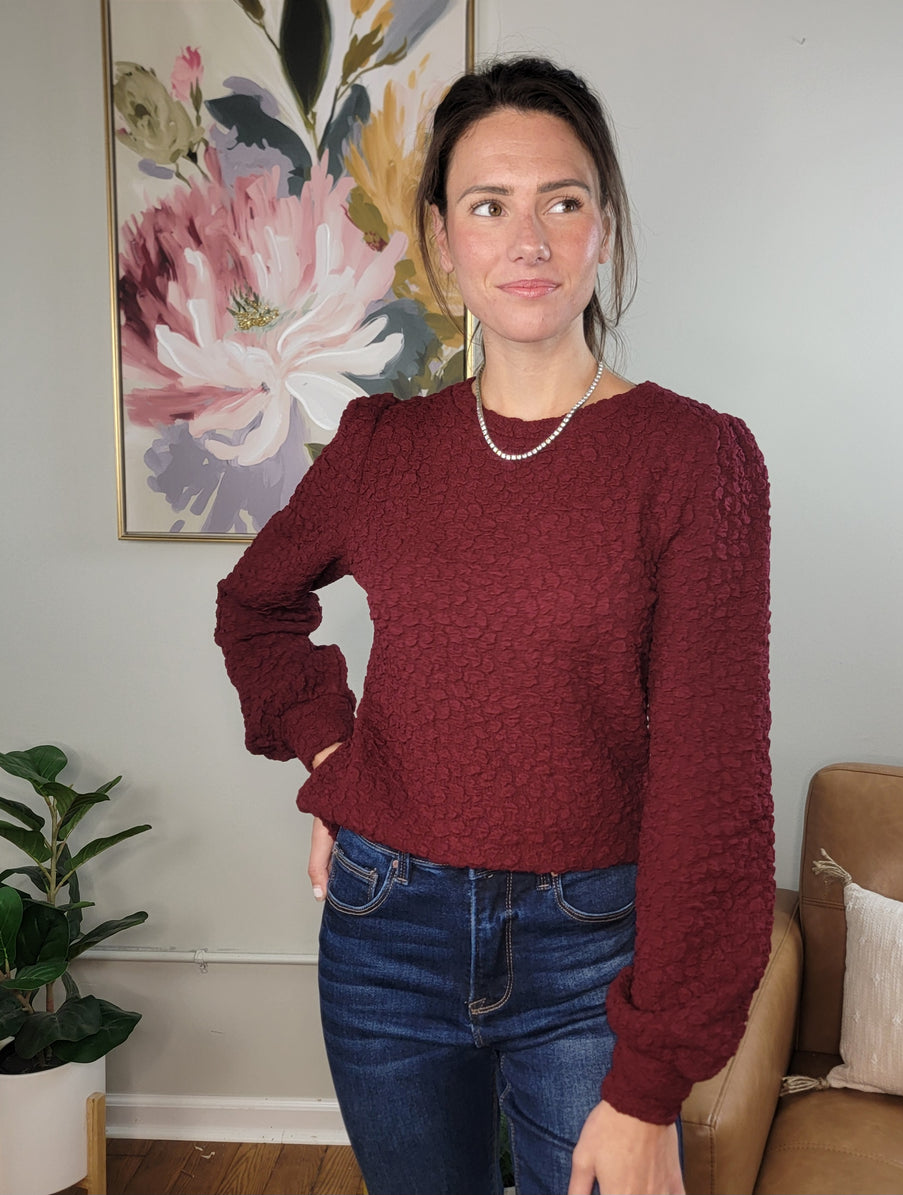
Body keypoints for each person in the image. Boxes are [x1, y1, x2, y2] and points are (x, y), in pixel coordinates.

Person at [215, 55, 773, 1195]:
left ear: (603, 229)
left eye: (562, 201)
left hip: (592, 951)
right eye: (488, 205)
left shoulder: (694, 459)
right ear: (441, 240)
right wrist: (335, 757)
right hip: (384, 936)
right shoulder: (383, 449)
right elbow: (255, 606)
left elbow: (712, 781)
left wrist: (651, 1080)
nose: (528, 240)